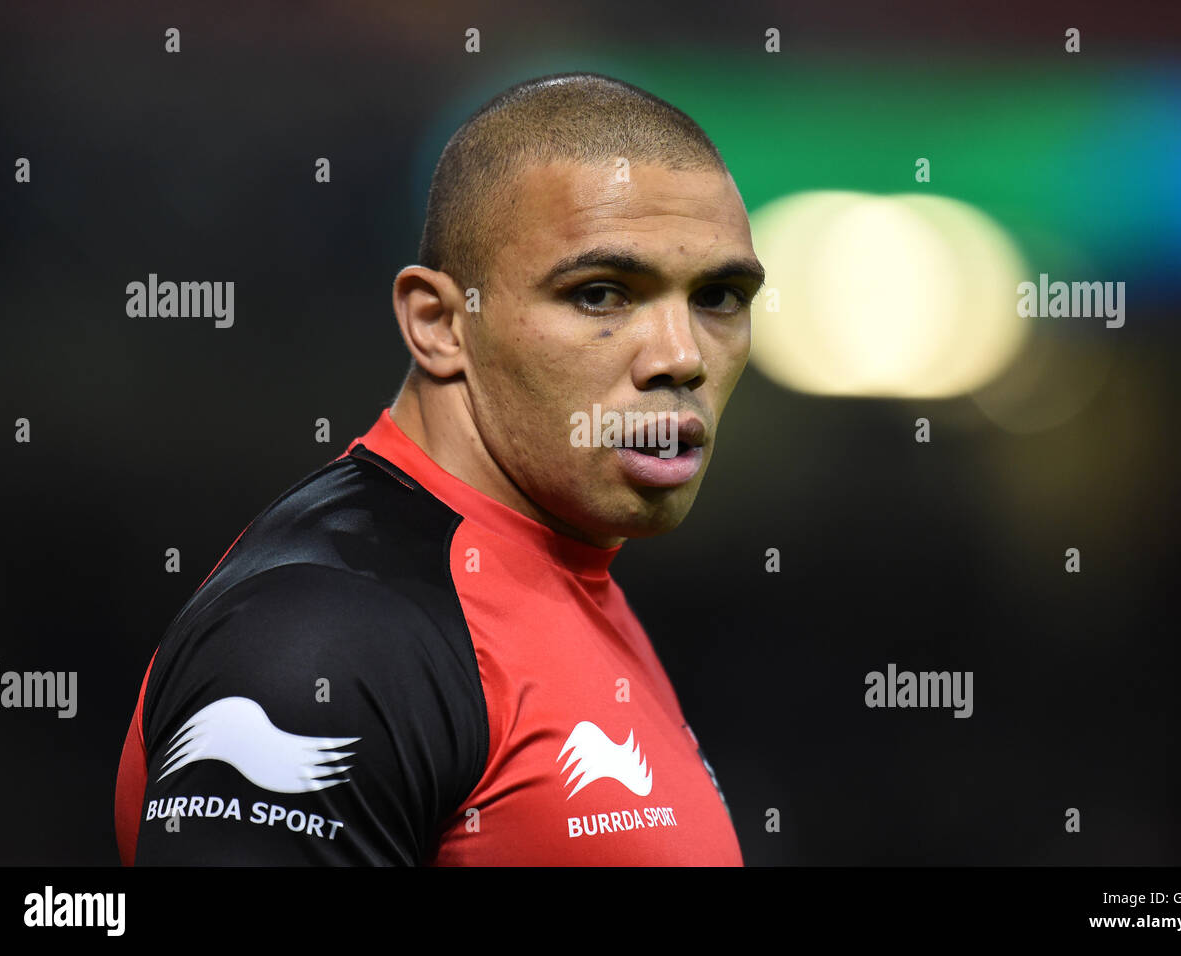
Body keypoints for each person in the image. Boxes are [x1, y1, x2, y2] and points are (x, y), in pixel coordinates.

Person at [114, 71, 765, 865]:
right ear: (441, 324)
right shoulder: (327, 635)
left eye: (720, 297)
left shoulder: (566, 573)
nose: (681, 356)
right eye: (601, 294)